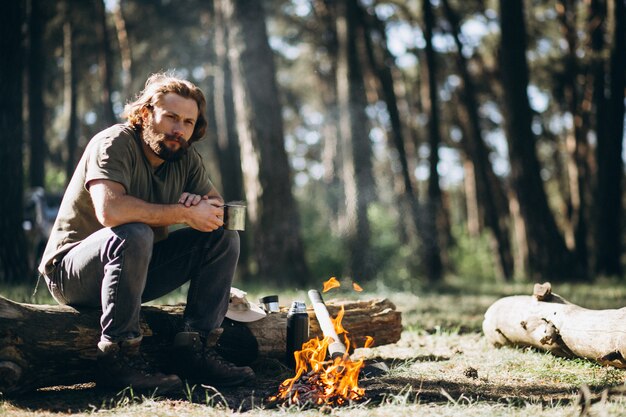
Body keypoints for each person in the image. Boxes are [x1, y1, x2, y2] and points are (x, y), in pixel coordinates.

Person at [38, 73, 255, 393]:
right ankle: (118, 358)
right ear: (144, 114)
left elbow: (219, 213)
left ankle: (195, 350)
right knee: (133, 232)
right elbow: (111, 212)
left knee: (222, 237)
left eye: (188, 122)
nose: (179, 129)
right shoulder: (114, 143)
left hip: (137, 268)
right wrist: (182, 213)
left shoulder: (185, 156)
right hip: (73, 274)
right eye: (170, 117)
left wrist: (201, 206)